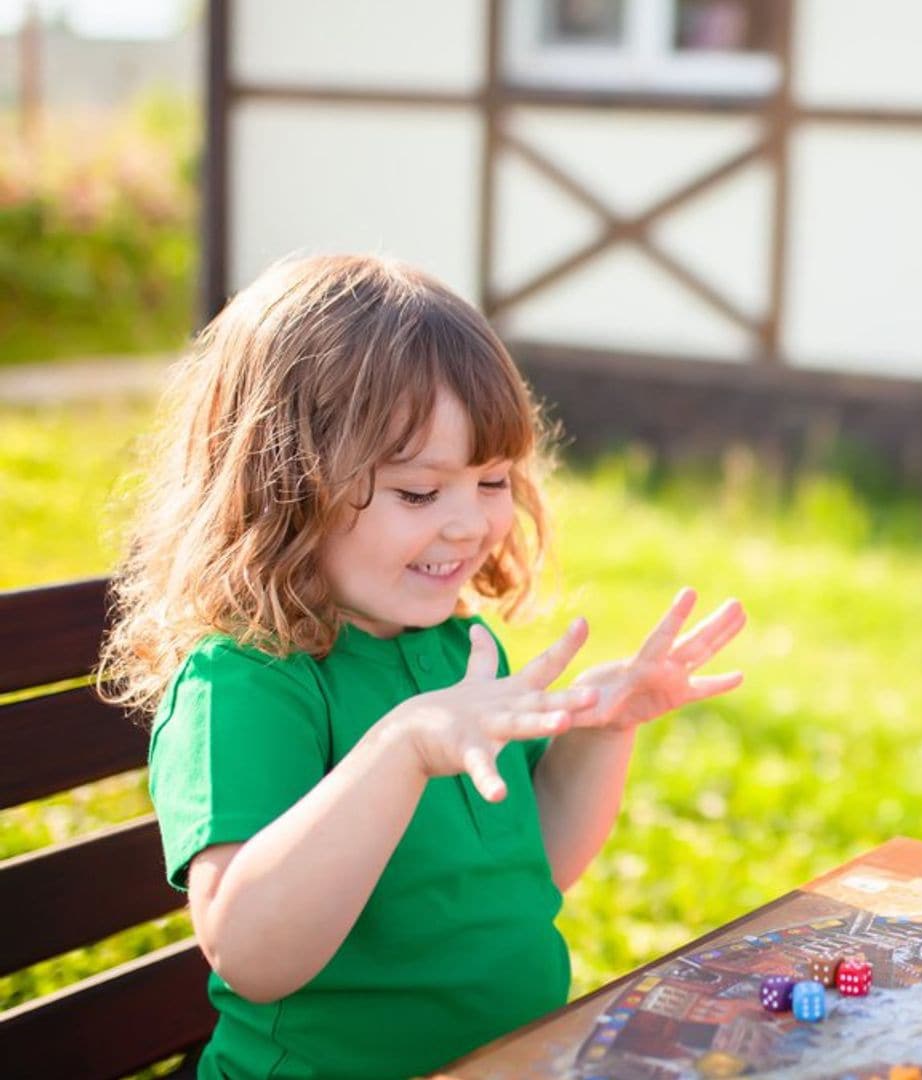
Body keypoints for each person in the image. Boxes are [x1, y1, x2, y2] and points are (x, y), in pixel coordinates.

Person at [101, 254, 748, 1077]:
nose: (470, 524)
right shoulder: (248, 681)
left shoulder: (455, 652)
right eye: (418, 493)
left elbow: (535, 869)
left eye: (493, 480)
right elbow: (252, 952)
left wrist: (601, 730)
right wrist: (403, 749)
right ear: (284, 484)